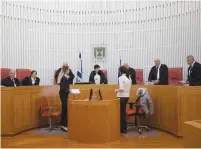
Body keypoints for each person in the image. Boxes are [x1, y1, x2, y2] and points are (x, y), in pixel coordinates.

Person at [54, 62, 75, 131]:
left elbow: (72, 77)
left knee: (65, 108)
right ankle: (64, 124)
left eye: (67, 66)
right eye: (64, 66)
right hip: (63, 93)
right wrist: (63, 74)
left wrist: (68, 73)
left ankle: (64, 124)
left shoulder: (69, 72)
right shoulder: (60, 71)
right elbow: (59, 82)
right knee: (65, 107)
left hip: (66, 93)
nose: (66, 67)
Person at [115, 66, 132, 133]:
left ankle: (121, 129)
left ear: (120, 71)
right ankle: (124, 128)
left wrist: (116, 90)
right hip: (127, 96)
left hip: (121, 97)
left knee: (121, 113)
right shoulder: (129, 78)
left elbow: (121, 89)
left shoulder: (121, 78)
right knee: (123, 112)